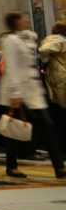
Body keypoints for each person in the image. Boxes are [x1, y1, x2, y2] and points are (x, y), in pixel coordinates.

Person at [1, 12, 65, 179]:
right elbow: (12, 66)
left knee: (48, 126)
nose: (27, 20)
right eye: (23, 18)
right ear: (16, 22)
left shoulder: (29, 37)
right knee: (14, 127)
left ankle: (59, 167)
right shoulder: (9, 40)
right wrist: (15, 93)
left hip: (33, 90)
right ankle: (11, 165)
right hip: (18, 90)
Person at [39, 21, 66, 150]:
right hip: (61, 78)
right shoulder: (58, 40)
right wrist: (45, 61)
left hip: (61, 77)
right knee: (61, 112)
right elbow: (44, 50)